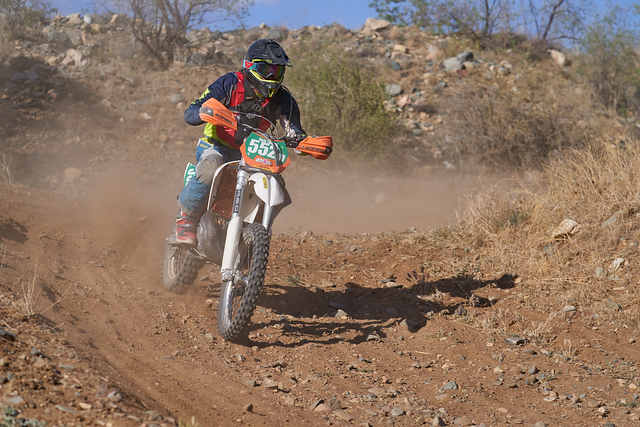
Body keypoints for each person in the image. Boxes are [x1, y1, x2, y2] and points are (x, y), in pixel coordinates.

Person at [175, 39, 307, 245]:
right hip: (216, 145)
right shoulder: (230, 83)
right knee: (212, 166)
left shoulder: (283, 99)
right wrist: (204, 112)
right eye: (266, 70)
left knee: (277, 184)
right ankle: (187, 220)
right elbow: (192, 110)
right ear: (250, 66)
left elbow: (295, 130)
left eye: (277, 71)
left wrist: (304, 143)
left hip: (253, 152)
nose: (272, 77)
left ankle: (254, 232)